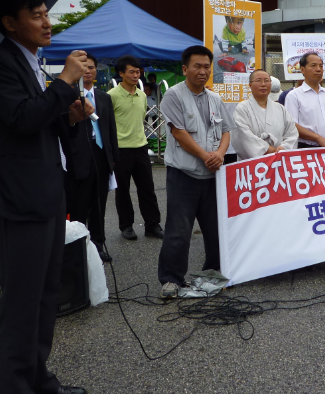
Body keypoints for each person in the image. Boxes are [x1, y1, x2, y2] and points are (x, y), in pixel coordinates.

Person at [0, 0, 92, 394]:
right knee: (21, 304)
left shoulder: (30, 63)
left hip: (45, 195)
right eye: (37, 15)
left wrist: (68, 114)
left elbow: (37, 122)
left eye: (47, 13)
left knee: (45, 297)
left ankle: (38, 376)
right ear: (9, 23)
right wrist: (63, 83)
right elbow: (20, 119)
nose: (48, 22)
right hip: (18, 201)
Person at [158, 46, 234, 298]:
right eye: (197, 66)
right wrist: (206, 156)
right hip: (184, 176)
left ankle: (213, 271)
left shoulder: (215, 99)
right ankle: (171, 279)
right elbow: (178, 132)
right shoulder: (173, 96)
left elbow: (225, 132)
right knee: (179, 230)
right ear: (185, 69)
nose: (203, 71)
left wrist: (220, 154)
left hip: (213, 175)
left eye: (206, 67)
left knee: (215, 229)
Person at [64, 53, 120, 261]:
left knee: (99, 204)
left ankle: (98, 244)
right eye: (84, 67)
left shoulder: (104, 97)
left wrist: (113, 155)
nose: (88, 71)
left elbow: (110, 128)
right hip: (78, 156)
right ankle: (78, 246)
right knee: (79, 205)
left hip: (101, 154)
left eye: (92, 67)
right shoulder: (69, 95)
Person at [108, 56, 164, 240]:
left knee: (147, 188)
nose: (135, 75)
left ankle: (152, 225)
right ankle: (126, 226)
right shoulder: (112, 96)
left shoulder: (142, 95)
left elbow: (140, 120)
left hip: (141, 147)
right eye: (131, 72)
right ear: (121, 73)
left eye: (138, 72)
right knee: (122, 190)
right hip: (121, 149)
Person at [232, 69, 298, 159]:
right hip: (252, 164)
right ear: (250, 85)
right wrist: (270, 150)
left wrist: (283, 148)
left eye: (266, 81)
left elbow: (292, 133)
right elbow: (243, 136)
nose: (263, 84)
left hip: (278, 161)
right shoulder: (242, 108)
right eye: (258, 81)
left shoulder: (280, 109)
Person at [284, 53, 325, 150]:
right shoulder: (294, 95)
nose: (318, 69)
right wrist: (317, 138)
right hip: (308, 149)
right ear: (302, 69)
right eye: (313, 66)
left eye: (321, 66)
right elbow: (292, 125)